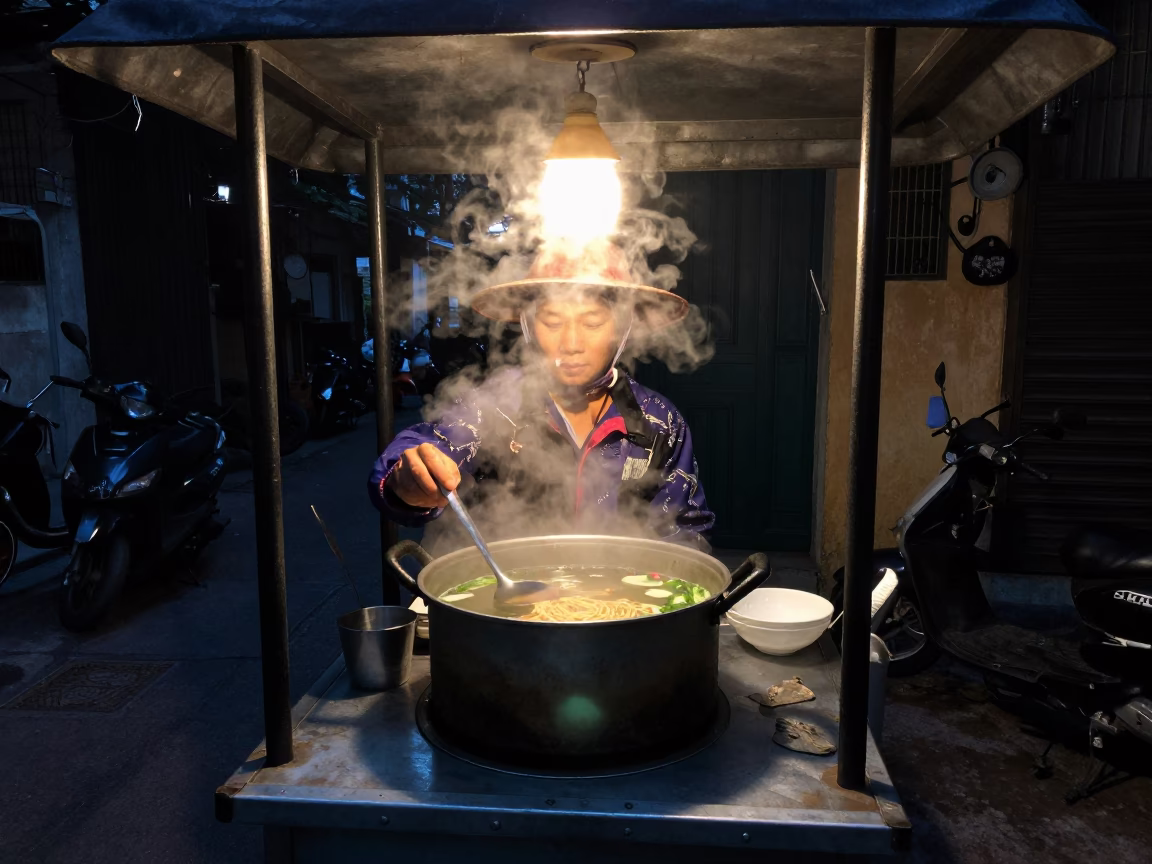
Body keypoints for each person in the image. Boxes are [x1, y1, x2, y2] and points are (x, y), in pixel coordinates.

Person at [367, 241, 713, 552]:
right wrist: (409, 483)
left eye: (592, 323)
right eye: (552, 322)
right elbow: (427, 446)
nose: (571, 344)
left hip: (624, 605)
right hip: (503, 601)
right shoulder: (495, 404)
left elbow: (684, 530)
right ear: (529, 327)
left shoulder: (658, 420)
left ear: (621, 331)